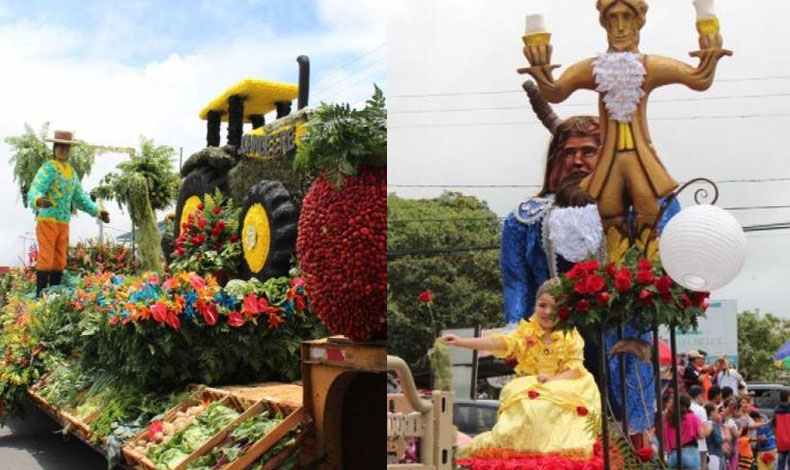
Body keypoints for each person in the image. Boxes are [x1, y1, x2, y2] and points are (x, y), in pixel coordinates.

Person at [522, 0, 730, 259]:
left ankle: (646, 282)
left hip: (640, 160)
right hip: (609, 162)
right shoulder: (592, 68)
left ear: (638, 22)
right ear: (605, 23)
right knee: (609, 215)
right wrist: (539, 59)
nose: (620, 27)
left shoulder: (650, 65)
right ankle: (615, 283)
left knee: (648, 214)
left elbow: (699, 79)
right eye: (613, 19)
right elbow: (555, 92)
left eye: (626, 18)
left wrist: (708, 36)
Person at [441, 279, 601, 457]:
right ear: (535, 305)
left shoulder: (571, 335)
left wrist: (552, 380)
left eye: (555, 308)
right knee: (519, 395)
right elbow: (500, 342)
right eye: (542, 305)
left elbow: (575, 370)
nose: (548, 312)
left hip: (567, 383)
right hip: (535, 383)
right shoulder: (526, 332)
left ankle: (553, 453)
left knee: (548, 410)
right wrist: (461, 342)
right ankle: (521, 449)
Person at [28, 130, 110, 296]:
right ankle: (40, 293)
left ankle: (54, 291)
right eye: (60, 146)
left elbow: (80, 197)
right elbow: (35, 188)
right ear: (54, 148)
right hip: (48, 220)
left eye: (66, 147)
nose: (63, 150)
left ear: (69, 150)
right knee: (46, 255)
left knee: (59, 257)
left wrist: (98, 211)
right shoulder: (49, 168)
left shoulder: (72, 173)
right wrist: (38, 200)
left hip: (63, 222)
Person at [664, 393, 704, 470]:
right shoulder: (693, 417)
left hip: (673, 455)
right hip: (690, 454)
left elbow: (666, 438)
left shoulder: (669, 419)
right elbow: (701, 435)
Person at [690, 385, 714, 468]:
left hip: (685, 448)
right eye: (703, 396)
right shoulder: (700, 410)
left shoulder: (684, 408)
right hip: (700, 447)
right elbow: (706, 432)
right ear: (699, 396)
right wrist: (710, 422)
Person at [772, 389, 790, 470]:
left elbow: (774, 425)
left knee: (781, 463)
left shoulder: (776, 409)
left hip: (781, 439)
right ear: (788, 397)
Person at [705, 403, 725, 470]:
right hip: (715, 455)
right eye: (716, 412)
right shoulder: (713, 424)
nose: (718, 414)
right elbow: (718, 441)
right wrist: (723, 436)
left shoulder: (704, 423)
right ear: (712, 412)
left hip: (707, 455)